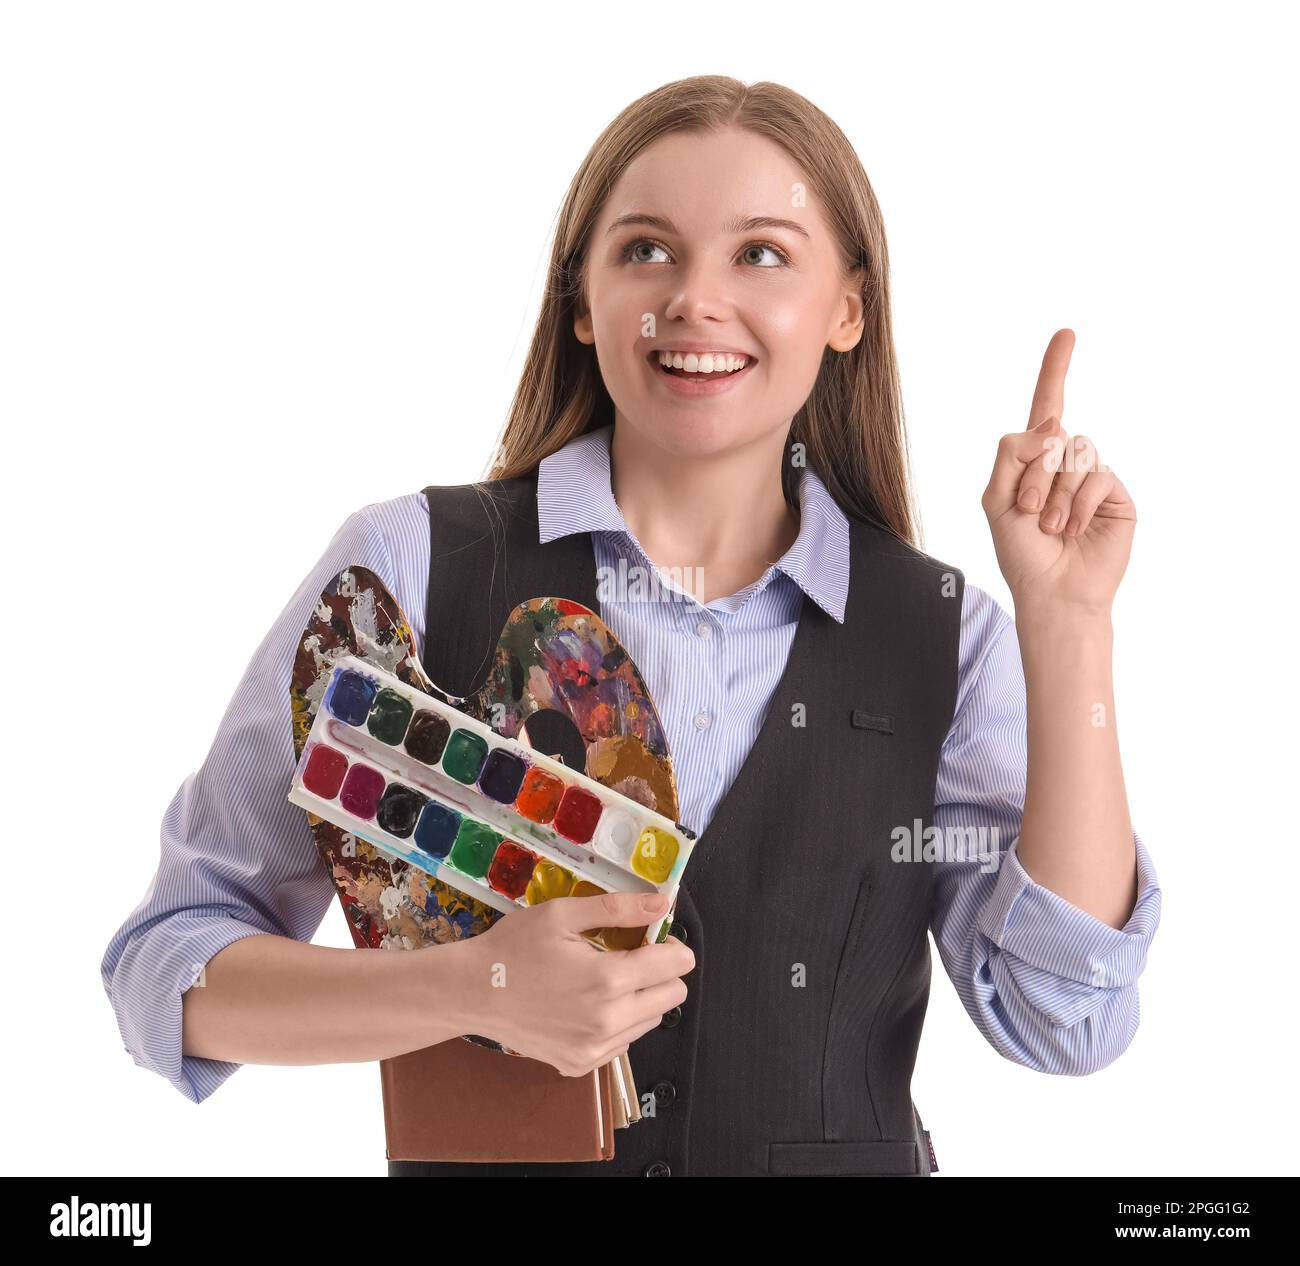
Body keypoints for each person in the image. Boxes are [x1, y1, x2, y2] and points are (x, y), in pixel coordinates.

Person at [101, 75, 1161, 1177]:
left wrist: (1070, 622)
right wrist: (472, 987)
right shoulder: (414, 568)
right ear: (580, 301)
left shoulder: (943, 638)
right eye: (646, 249)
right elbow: (167, 968)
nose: (694, 300)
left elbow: (1062, 1017)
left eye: (760, 254)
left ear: (848, 307)